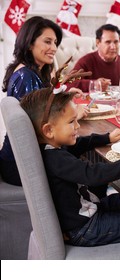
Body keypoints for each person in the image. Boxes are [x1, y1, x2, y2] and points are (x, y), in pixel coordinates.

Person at [20, 85, 120, 246]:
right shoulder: (55, 159)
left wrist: (106, 138)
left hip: (90, 211)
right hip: (86, 229)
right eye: (71, 122)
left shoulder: (51, 148)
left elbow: (77, 144)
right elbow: (93, 174)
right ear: (48, 130)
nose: (77, 126)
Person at [0, 16, 87, 186]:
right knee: (87, 157)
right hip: (22, 166)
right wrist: (76, 115)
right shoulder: (25, 77)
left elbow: (44, 107)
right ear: (30, 42)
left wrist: (65, 96)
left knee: (85, 150)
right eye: (47, 42)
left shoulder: (29, 71)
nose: (53, 48)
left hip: (22, 158)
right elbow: (43, 127)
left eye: (55, 42)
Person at [70, 24, 120, 92]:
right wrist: (94, 84)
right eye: (108, 42)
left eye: (116, 42)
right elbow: (69, 84)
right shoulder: (85, 61)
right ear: (98, 42)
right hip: (92, 102)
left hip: (119, 102)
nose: (113, 47)